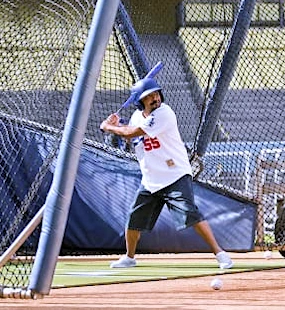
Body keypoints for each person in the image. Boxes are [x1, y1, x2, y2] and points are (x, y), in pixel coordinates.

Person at [99, 77, 233, 269]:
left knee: (190, 213)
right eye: (148, 96)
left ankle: (220, 254)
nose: (155, 98)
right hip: (151, 180)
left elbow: (130, 133)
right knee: (134, 220)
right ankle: (129, 257)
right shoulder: (137, 118)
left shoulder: (165, 113)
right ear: (140, 101)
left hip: (175, 175)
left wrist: (110, 127)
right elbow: (129, 138)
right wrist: (117, 126)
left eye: (156, 94)